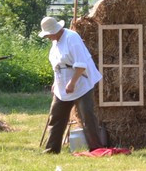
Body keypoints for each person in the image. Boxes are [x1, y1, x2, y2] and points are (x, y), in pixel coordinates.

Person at [39, 16, 103, 154]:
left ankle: (96, 149)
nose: (48, 37)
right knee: (56, 116)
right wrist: (56, 84)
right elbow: (58, 65)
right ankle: (51, 149)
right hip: (63, 85)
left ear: (55, 30)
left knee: (87, 116)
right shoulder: (55, 42)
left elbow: (81, 65)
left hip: (81, 82)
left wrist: (72, 83)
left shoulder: (72, 38)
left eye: (48, 34)